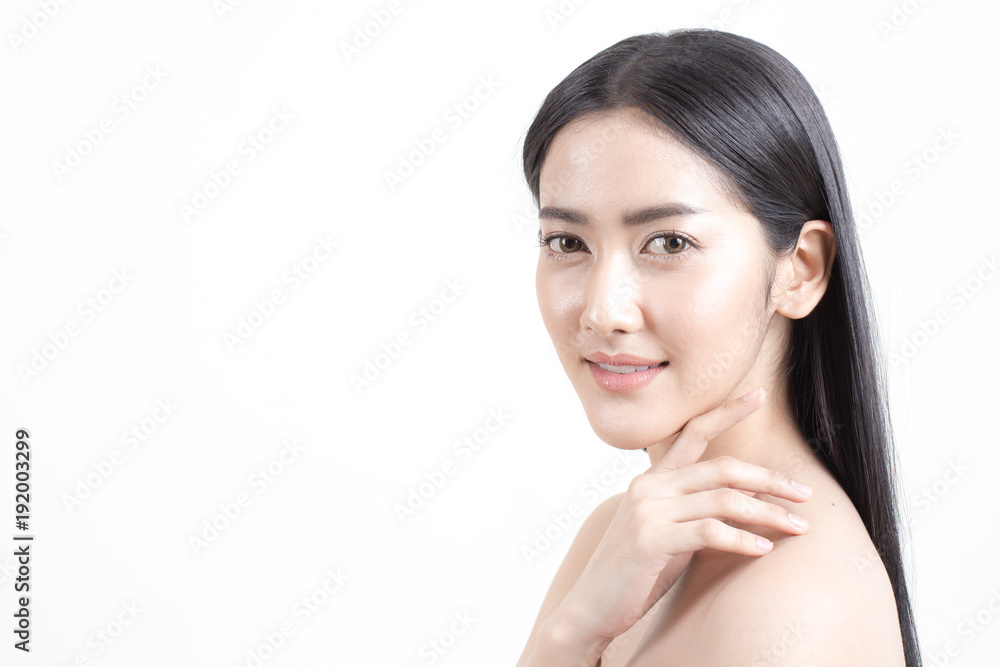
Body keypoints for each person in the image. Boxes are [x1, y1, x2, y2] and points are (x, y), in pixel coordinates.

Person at [515, 29, 921, 666]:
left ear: (801, 270)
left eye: (669, 243)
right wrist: (570, 637)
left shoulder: (794, 599)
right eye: (567, 243)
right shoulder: (620, 539)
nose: (603, 310)